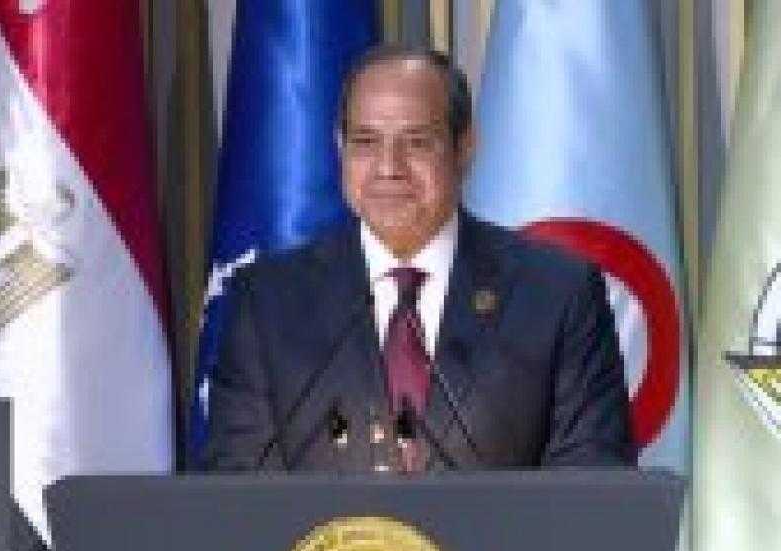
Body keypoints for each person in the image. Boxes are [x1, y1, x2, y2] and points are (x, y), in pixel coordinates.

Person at [203, 47, 636, 472]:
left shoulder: (556, 297)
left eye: (417, 143)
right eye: (365, 143)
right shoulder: (268, 303)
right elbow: (239, 492)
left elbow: (592, 486)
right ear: (339, 148)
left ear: (464, 147)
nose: (388, 168)